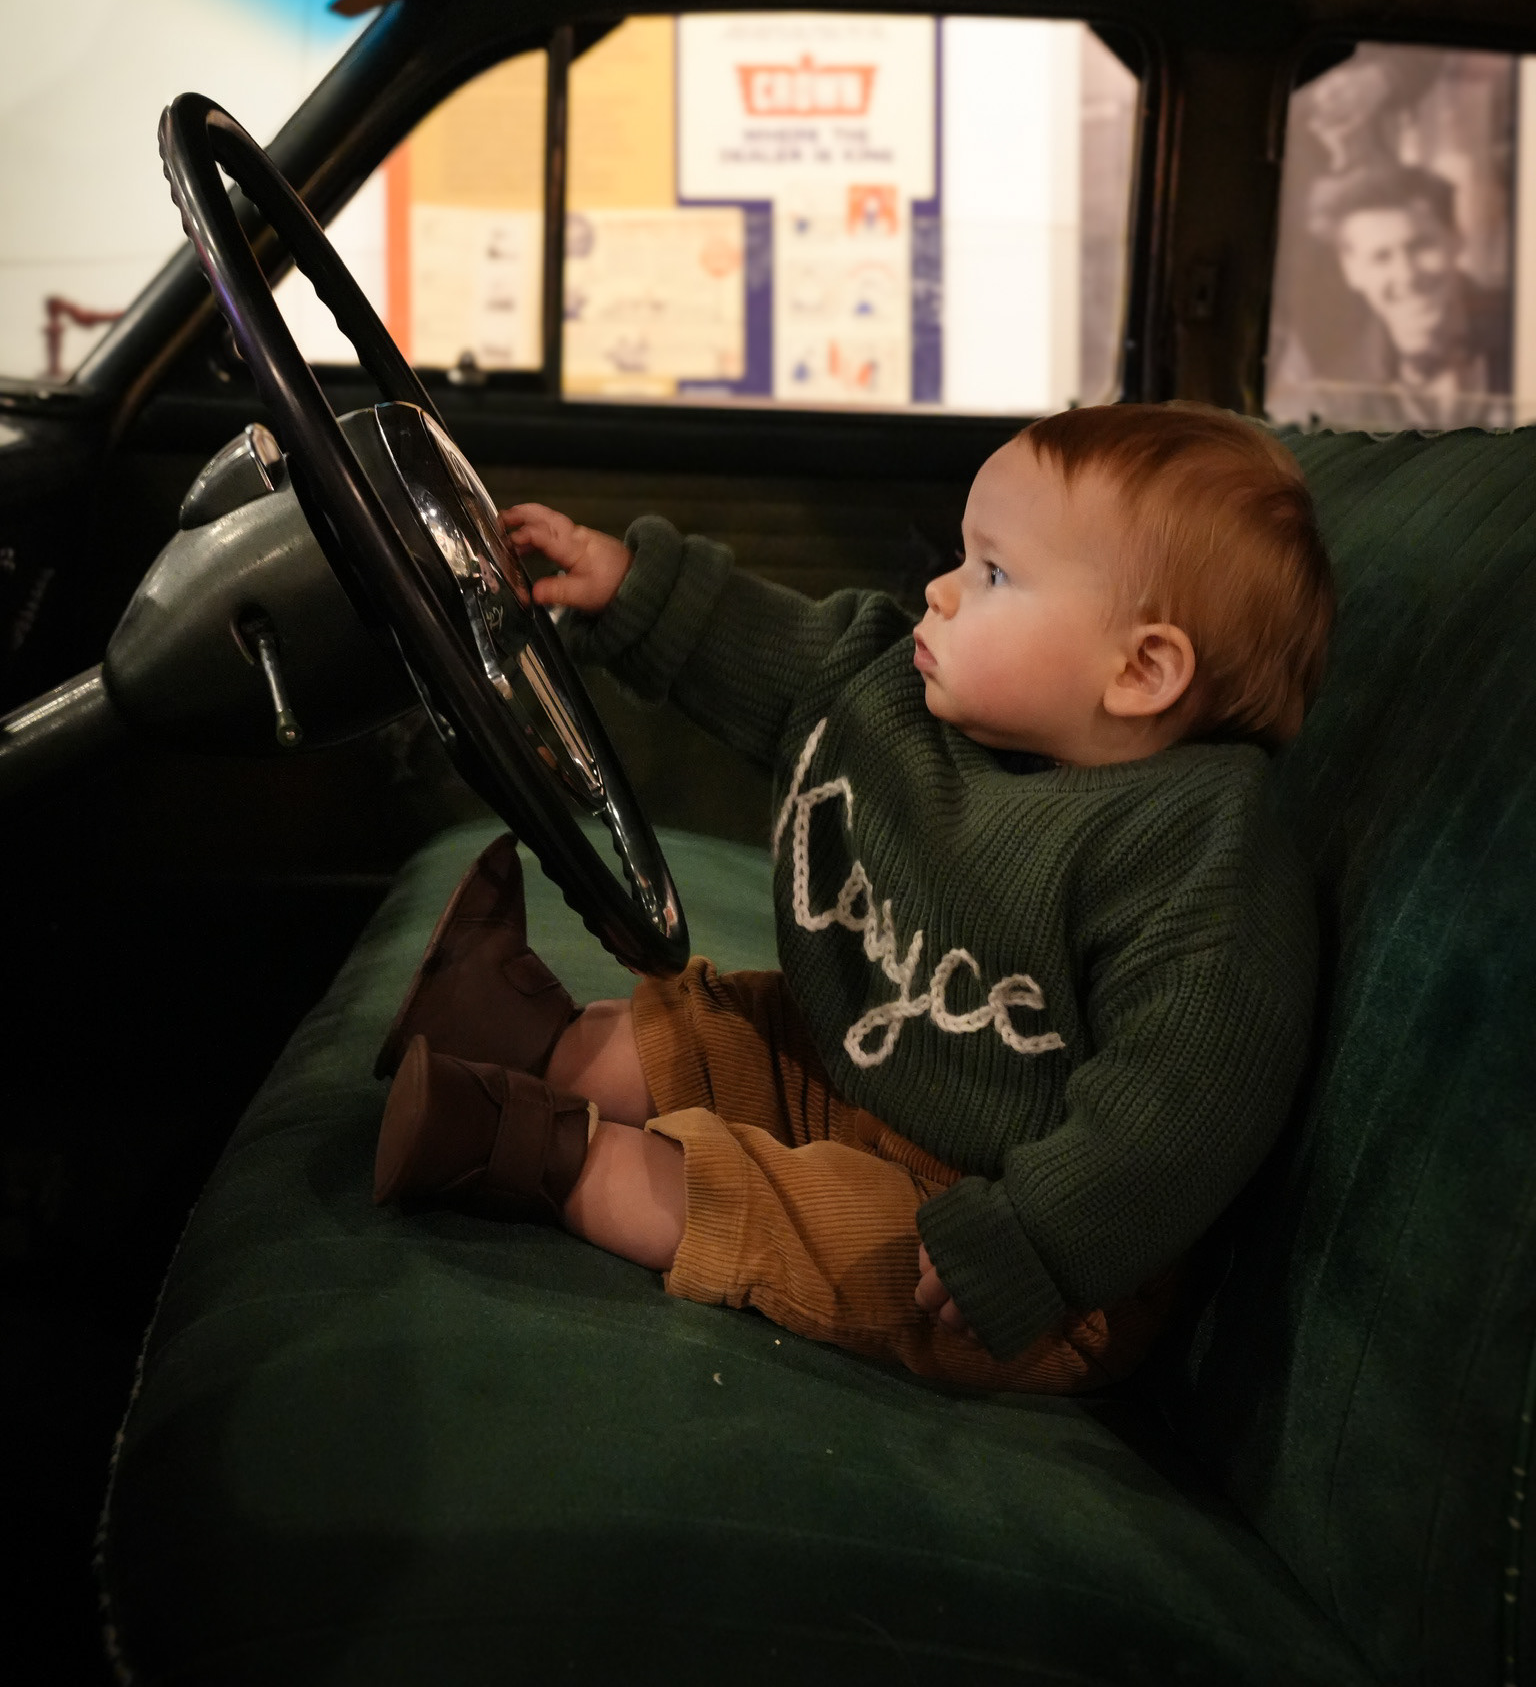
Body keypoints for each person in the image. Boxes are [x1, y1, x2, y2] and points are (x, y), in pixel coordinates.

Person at [372, 404, 1333, 1393]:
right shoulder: (924, 699)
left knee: (806, 1218)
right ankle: (517, 1035)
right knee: (729, 1030)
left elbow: (1179, 1113)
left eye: (994, 575)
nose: (941, 591)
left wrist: (1036, 1240)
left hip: (1004, 1248)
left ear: (1141, 670)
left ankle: (537, 1153)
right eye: (963, 557)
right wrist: (633, 591)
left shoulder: (1203, 864)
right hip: (868, 1067)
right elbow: (794, 662)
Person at [1269, 161, 1512, 429]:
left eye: (1421, 246)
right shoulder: (1337, 387)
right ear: (1352, 270)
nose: (1407, 275)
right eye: (1381, 257)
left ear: (1456, 240)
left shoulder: (1520, 330)